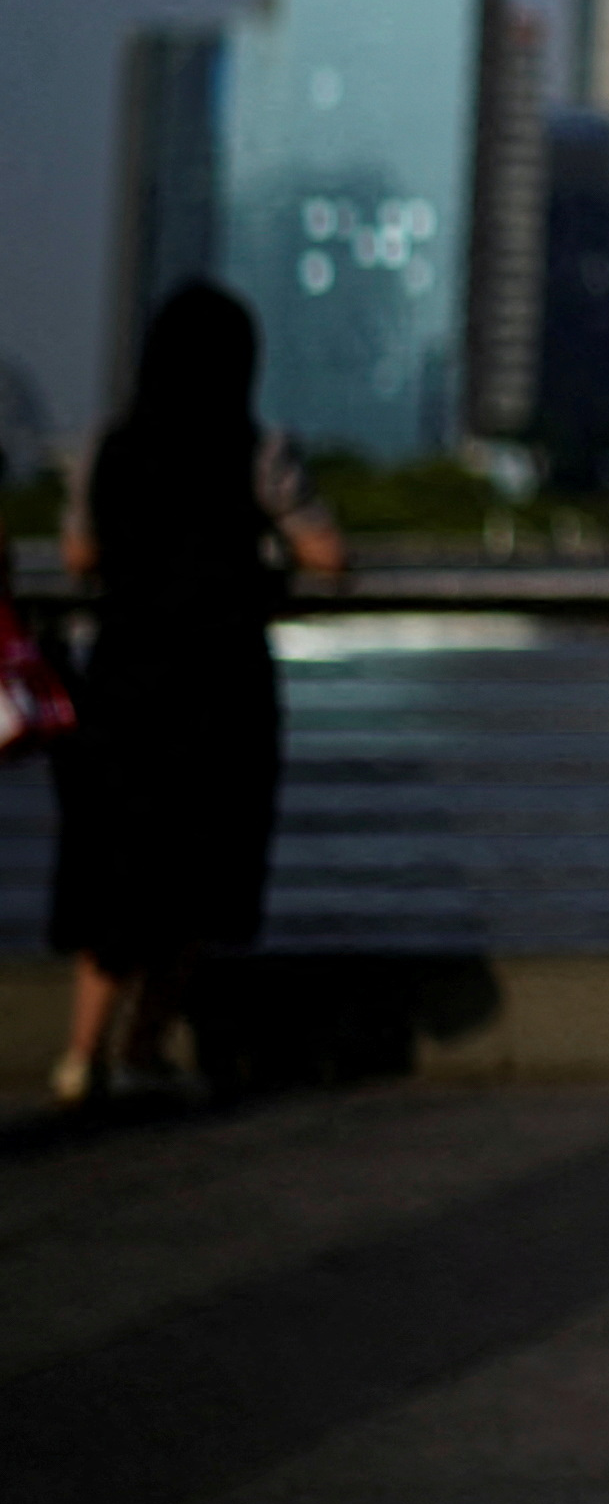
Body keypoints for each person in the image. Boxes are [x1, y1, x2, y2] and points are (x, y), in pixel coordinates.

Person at [47, 283, 342, 1107]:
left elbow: (77, 554)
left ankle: (81, 1052)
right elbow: (327, 552)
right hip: (217, 685)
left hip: (121, 680)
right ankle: (143, 1048)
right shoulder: (258, 447)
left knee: (113, 859)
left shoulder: (105, 445)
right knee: (196, 867)